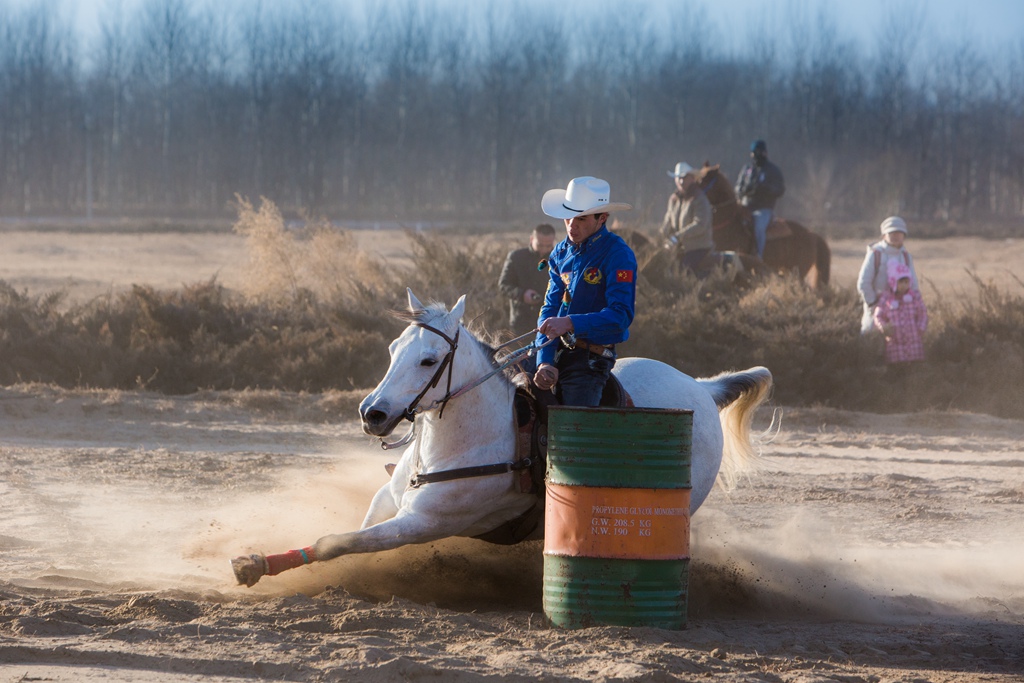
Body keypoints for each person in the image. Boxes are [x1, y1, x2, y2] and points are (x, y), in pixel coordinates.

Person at [532, 176, 637, 407]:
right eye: (568, 216)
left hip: (590, 361)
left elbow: (621, 316)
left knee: (572, 425)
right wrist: (544, 361)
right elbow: (549, 308)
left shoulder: (618, 255)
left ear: (602, 218)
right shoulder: (560, 253)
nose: (572, 224)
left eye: (581, 217)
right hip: (552, 349)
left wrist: (570, 323)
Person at [857, 216, 921, 335]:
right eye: (892, 232)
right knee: (871, 345)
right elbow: (863, 283)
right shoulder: (875, 254)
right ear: (884, 235)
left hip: (902, 314)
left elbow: (913, 285)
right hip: (875, 312)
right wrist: (874, 304)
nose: (896, 236)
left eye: (899, 232)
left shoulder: (906, 257)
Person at [498, 223, 556, 337]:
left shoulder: (558, 258)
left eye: (548, 246)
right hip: (521, 321)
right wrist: (522, 294)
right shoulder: (516, 257)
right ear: (531, 239)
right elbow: (503, 285)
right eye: (540, 245)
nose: (544, 249)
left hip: (550, 321)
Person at [873, 260, 928, 371]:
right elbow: (878, 316)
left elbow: (923, 313)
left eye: (906, 282)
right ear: (893, 282)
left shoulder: (914, 296)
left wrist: (921, 328)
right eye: (901, 282)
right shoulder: (886, 298)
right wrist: (884, 328)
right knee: (897, 372)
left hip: (914, 342)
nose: (904, 286)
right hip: (894, 344)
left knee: (915, 370)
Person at [660, 161, 714, 274]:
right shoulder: (674, 199)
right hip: (679, 247)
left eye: (684, 178)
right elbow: (668, 220)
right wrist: (662, 235)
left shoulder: (700, 198)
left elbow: (700, 225)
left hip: (698, 248)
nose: (681, 181)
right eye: (678, 178)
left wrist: (677, 237)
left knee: (682, 270)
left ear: (692, 178)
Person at [734, 139, 785, 258]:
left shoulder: (772, 170)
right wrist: (744, 190)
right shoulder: (746, 169)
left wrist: (765, 189)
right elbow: (737, 187)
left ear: (765, 153)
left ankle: (758, 256)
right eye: (754, 152)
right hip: (745, 206)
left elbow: (780, 189)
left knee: (759, 228)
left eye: (759, 152)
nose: (757, 155)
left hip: (763, 208)